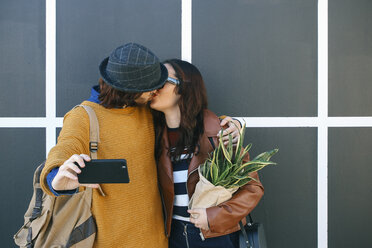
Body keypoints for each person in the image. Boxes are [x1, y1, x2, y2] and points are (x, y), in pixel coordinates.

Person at [41, 43, 241, 248]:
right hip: (112, 241)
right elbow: (62, 152)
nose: (157, 90)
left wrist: (228, 124)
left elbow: (186, 120)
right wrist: (57, 180)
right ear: (129, 90)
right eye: (152, 86)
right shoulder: (83, 117)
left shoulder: (146, 111)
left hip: (159, 241)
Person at [149, 59, 264, 248]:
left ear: (183, 87)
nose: (155, 87)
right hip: (172, 237)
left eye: (163, 80)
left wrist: (213, 217)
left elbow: (253, 189)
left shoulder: (219, 134)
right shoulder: (153, 135)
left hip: (215, 236)